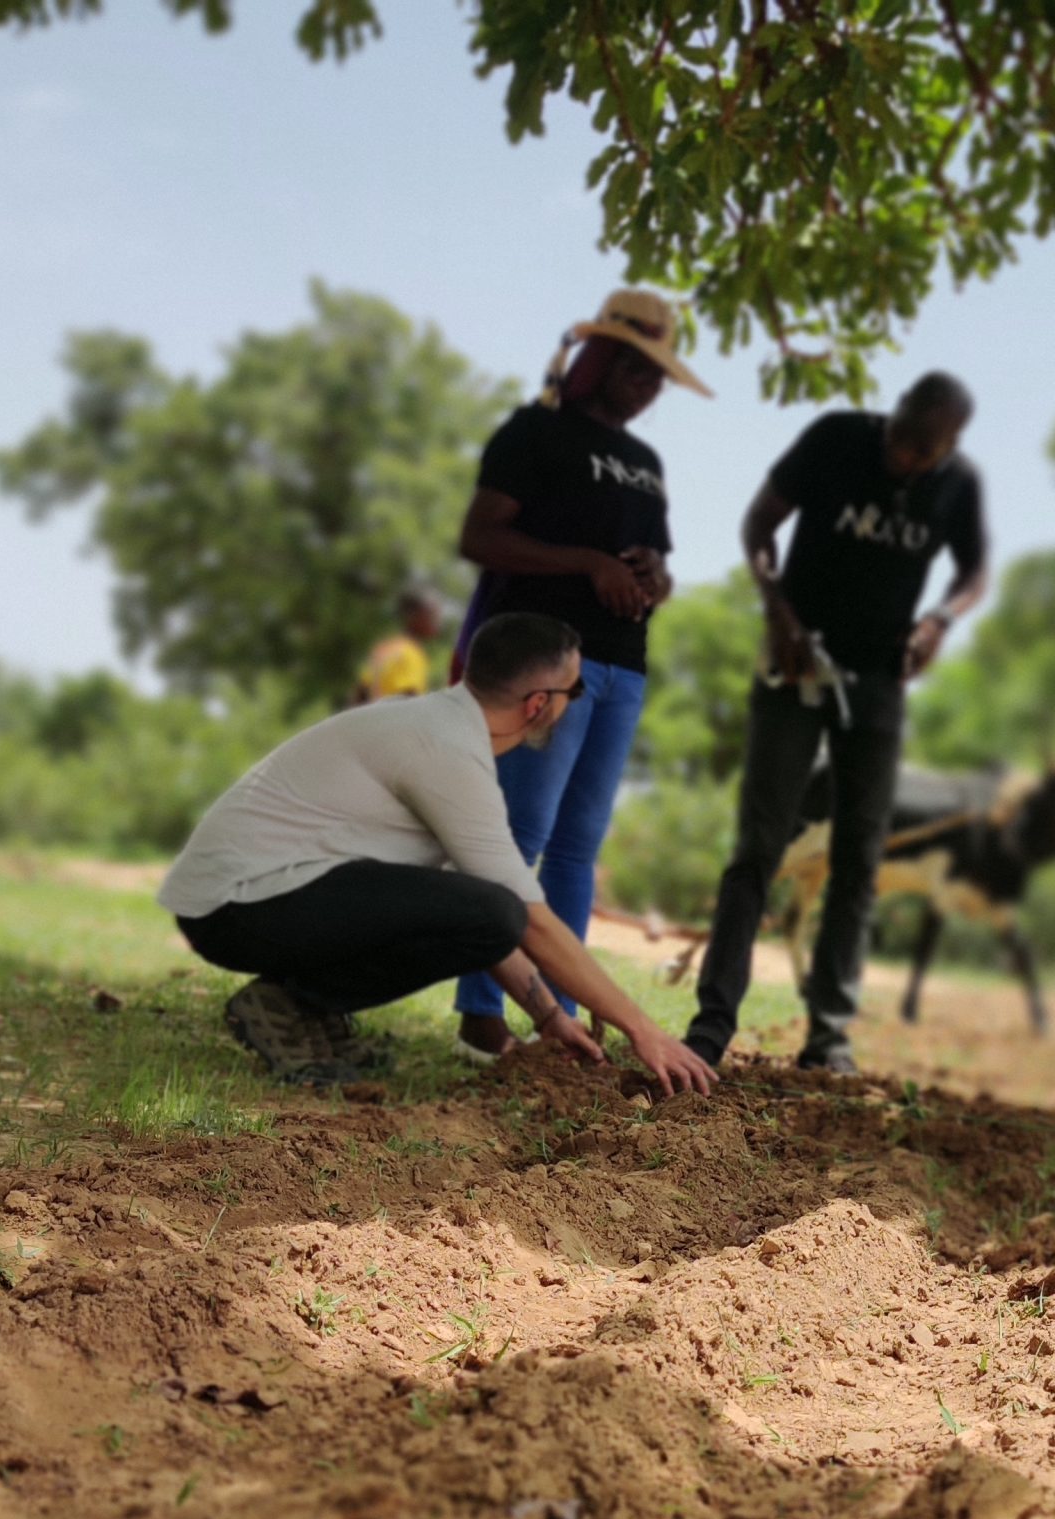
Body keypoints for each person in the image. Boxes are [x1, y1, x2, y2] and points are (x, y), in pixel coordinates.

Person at [159, 610, 717, 1097]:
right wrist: (644, 1029)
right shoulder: (444, 750)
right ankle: (290, 1005)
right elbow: (526, 922)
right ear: (538, 705)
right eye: (574, 693)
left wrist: (549, 1018)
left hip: (254, 898)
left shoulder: (445, 730)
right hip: (237, 907)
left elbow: (474, 912)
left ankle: (308, 1010)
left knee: (487, 911)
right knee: (500, 912)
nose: (574, 706)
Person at [685, 373, 990, 1073]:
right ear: (895, 411)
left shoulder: (958, 484)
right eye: (902, 440)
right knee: (759, 846)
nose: (905, 459)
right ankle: (711, 1026)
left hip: (879, 683)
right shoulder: (836, 438)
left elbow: (975, 573)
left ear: (948, 446)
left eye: (924, 452)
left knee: (861, 854)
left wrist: (941, 619)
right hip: (796, 668)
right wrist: (775, 607)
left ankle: (829, 1037)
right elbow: (760, 523)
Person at [447, 289, 711, 1066]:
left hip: (623, 666)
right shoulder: (534, 432)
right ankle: (478, 1010)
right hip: (541, 662)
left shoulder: (646, 463)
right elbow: (480, 536)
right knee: (517, 835)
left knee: (575, 849)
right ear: (596, 363)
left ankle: (558, 1019)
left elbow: (651, 560)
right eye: (636, 368)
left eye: (658, 375)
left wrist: (653, 577)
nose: (649, 386)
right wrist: (586, 564)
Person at [349, 589, 442, 706]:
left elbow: (360, 693)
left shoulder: (385, 647)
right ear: (414, 616)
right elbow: (409, 697)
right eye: (432, 614)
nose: (436, 621)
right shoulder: (412, 654)